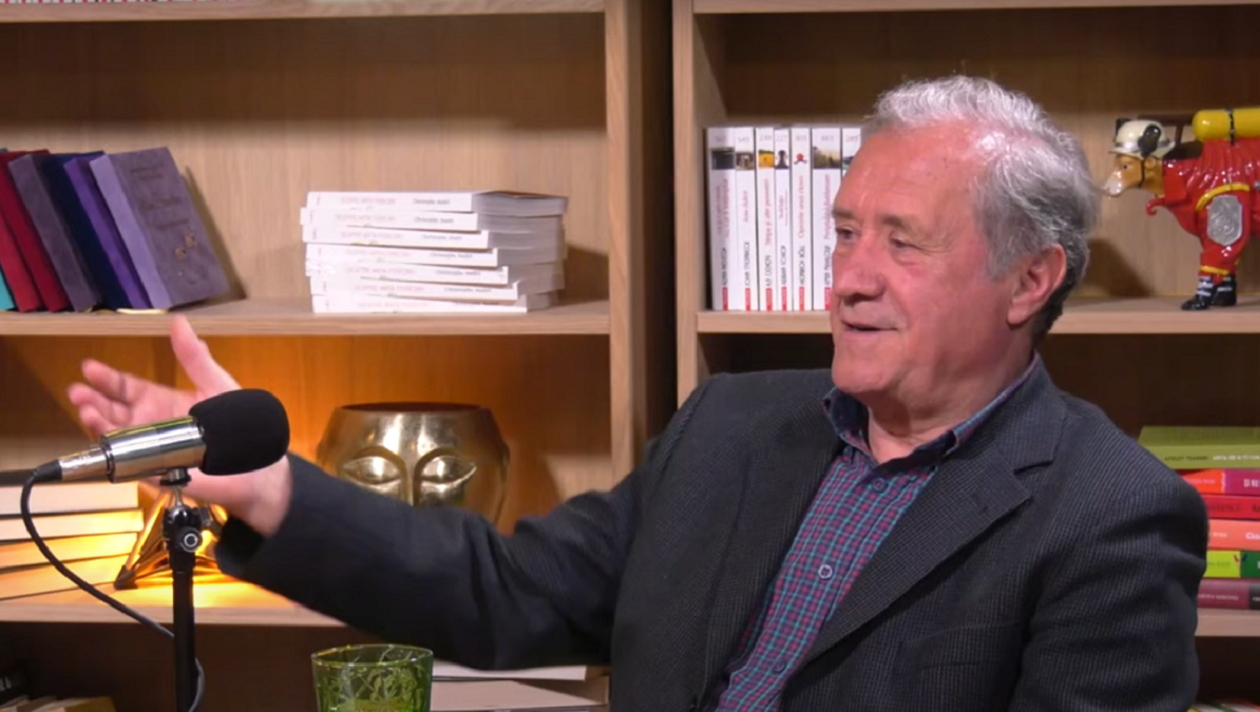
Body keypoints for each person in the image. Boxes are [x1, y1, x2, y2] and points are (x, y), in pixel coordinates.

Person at [67, 75, 1208, 711]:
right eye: (845, 233)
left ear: (1030, 280)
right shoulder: (734, 424)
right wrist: (274, 491)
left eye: (901, 243)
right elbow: (507, 592)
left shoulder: (1107, 514)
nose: (850, 278)